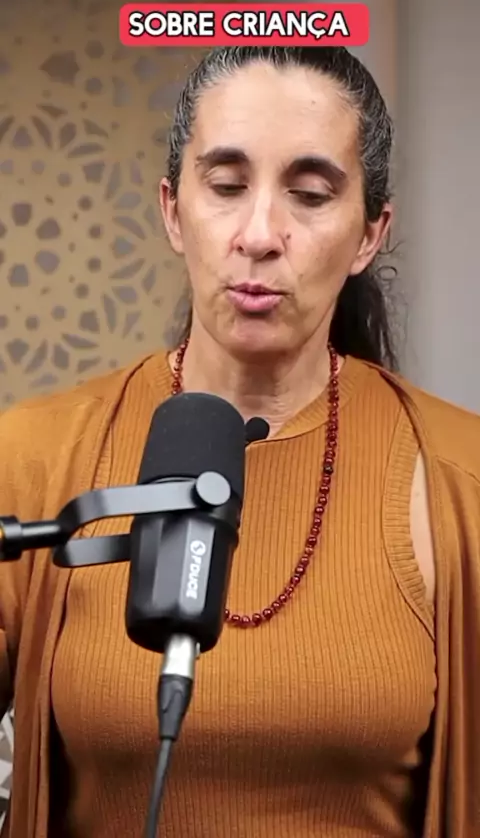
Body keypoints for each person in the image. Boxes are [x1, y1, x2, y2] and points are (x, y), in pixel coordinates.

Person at [0, 45, 479, 838]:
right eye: (226, 187)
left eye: (310, 195)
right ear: (172, 211)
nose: (259, 234)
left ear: (369, 234)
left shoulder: (460, 478)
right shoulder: (33, 458)